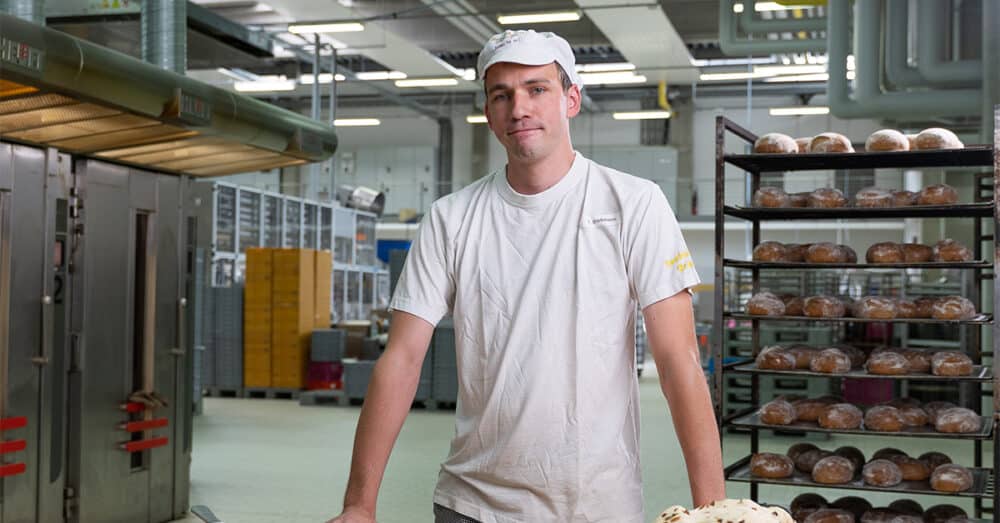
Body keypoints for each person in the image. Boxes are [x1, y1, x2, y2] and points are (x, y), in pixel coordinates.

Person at [328, 29, 725, 523]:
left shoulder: (633, 205)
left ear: (571, 99)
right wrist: (358, 505)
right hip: (471, 505)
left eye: (537, 89)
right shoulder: (451, 219)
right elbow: (402, 360)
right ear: (489, 113)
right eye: (502, 95)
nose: (519, 108)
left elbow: (677, 361)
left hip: (597, 509)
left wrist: (716, 511)